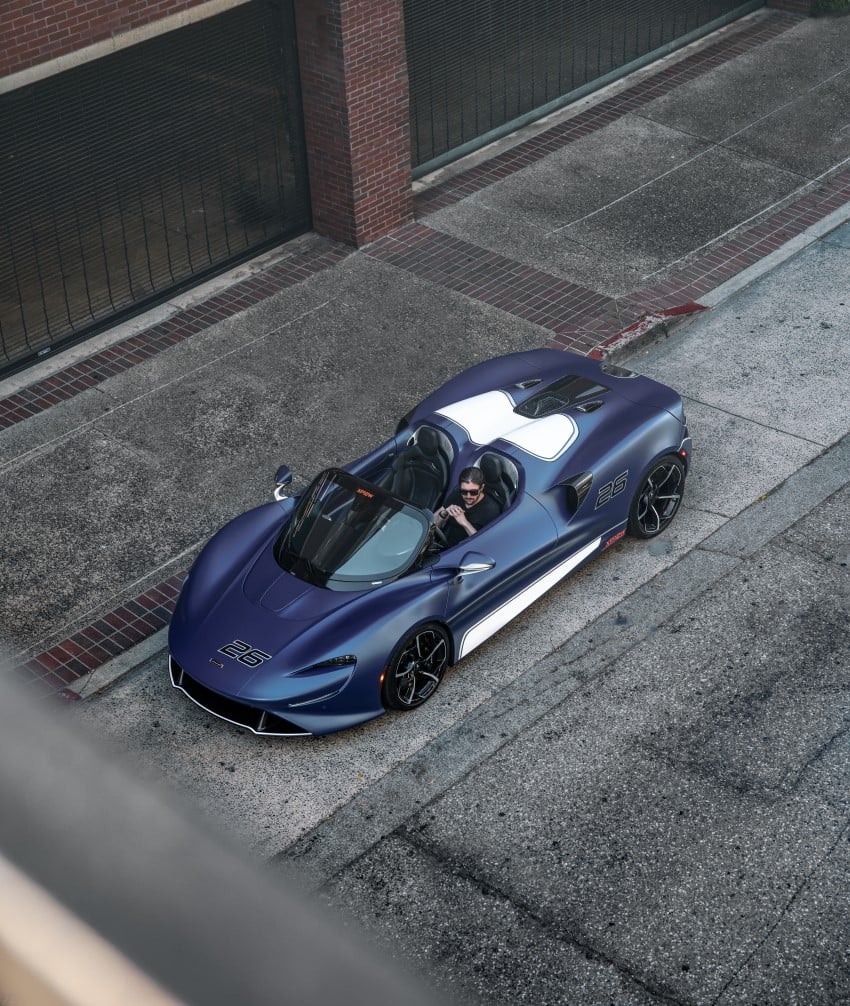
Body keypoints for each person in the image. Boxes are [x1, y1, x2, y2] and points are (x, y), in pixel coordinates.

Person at [434, 467, 500, 548]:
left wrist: (465, 523)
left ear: (482, 488)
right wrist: (443, 514)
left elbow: (484, 545)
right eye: (464, 491)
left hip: (466, 551)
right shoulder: (457, 494)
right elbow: (432, 525)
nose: (468, 496)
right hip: (445, 543)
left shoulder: (491, 510)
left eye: (473, 492)